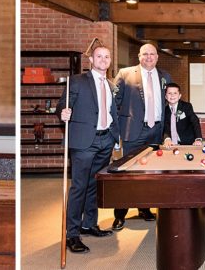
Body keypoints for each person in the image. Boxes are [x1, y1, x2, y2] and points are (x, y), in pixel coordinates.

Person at [57, 44, 119, 253]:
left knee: (94, 185)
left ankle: (88, 224)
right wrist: (63, 113)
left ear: (110, 61)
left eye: (107, 57)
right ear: (91, 60)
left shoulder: (111, 85)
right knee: (79, 187)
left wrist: (114, 137)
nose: (103, 60)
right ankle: (72, 234)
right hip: (84, 141)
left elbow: (112, 113)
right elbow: (62, 106)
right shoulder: (77, 81)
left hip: (105, 140)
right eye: (99, 56)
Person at [111, 43, 172, 230]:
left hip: (155, 132)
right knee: (127, 174)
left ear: (157, 57)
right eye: (145, 54)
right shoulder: (125, 74)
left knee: (149, 174)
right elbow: (113, 104)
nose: (149, 57)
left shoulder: (165, 76)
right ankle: (120, 214)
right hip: (132, 131)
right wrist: (114, 134)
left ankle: (144, 209)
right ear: (139, 56)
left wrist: (166, 134)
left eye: (152, 54)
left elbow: (168, 107)